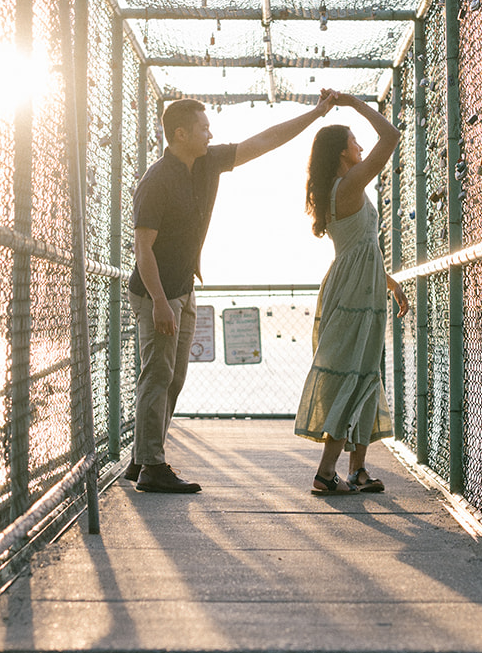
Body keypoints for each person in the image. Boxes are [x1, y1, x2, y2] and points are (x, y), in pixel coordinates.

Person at [126, 91, 335, 493]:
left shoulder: (207, 163)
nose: (210, 133)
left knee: (174, 378)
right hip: (156, 294)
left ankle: (142, 457)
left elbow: (263, 141)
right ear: (181, 133)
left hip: (182, 288)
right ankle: (152, 465)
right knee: (157, 374)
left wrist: (314, 114)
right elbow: (143, 249)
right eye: (203, 128)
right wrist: (158, 303)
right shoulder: (155, 181)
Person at [295, 91, 408, 495]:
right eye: (354, 140)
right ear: (342, 152)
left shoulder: (341, 186)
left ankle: (358, 470)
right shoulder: (348, 183)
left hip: (362, 284)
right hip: (356, 290)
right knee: (350, 373)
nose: (361, 145)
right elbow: (391, 137)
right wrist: (355, 103)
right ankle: (326, 472)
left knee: (365, 372)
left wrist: (389, 283)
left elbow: (363, 245)